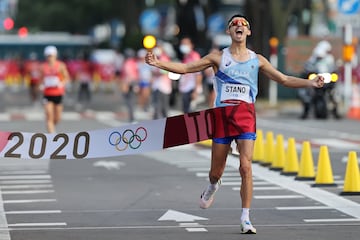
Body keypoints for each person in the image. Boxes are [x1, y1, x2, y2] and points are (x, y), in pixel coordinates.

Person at [145, 14, 324, 234]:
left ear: (248, 32)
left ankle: (245, 218)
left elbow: (284, 79)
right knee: (215, 172)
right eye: (234, 24)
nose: (239, 26)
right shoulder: (218, 58)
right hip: (222, 117)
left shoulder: (257, 60)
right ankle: (212, 186)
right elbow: (185, 68)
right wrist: (158, 63)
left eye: (243, 24)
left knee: (245, 167)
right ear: (229, 32)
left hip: (245, 117)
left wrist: (311, 82)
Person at [41, 45, 70, 133]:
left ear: (55, 56)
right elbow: (40, 79)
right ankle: (52, 135)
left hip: (58, 94)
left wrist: (62, 83)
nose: (50, 58)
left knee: (57, 118)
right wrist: (41, 85)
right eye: (48, 56)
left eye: (51, 56)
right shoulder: (42, 67)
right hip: (47, 94)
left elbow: (67, 77)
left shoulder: (60, 65)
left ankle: (51, 127)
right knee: (49, 116)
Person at [178, 37, 203, 113]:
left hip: (191, 88)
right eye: (182, 43)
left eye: (185, 43)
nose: (183, 45)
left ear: (191, 45)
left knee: (190, 113)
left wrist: (196, 90)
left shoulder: (194, 56)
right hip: (185, 88)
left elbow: (198, 74)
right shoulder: (185, 57)